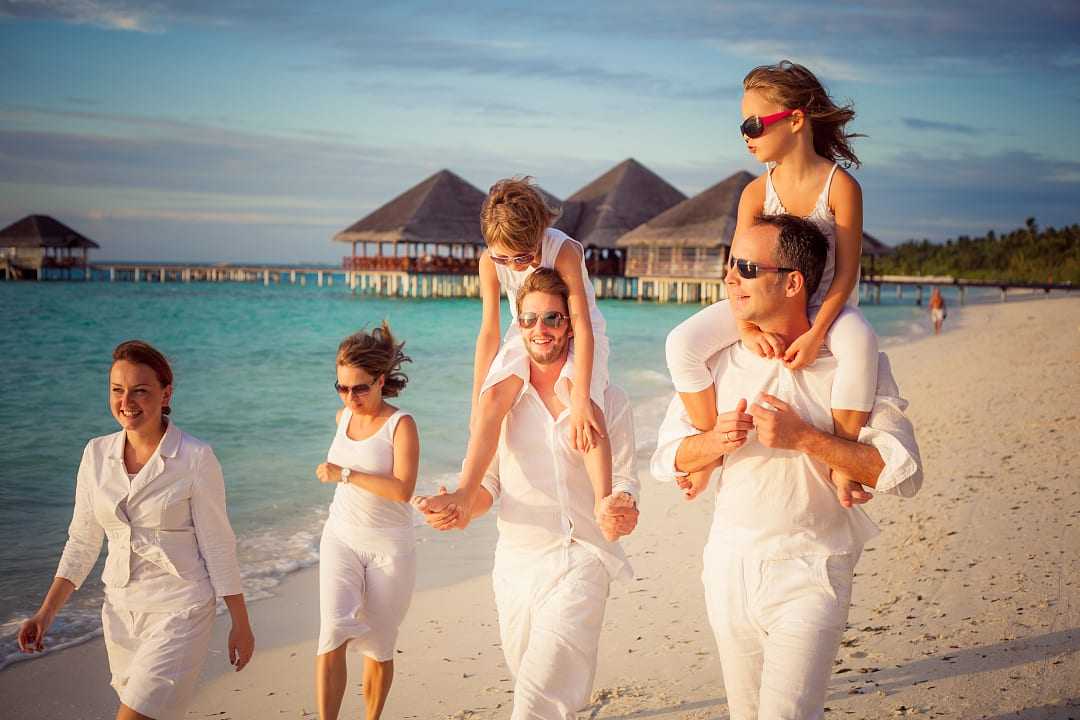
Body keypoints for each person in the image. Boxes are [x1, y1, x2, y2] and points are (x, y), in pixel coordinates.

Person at [652, 215, 923, 719]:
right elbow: (668, 457)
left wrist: (806, 439)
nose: (731, 278)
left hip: (812, 569)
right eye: (730, 265)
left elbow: (900, 472)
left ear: (794, 282)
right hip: (728, 567)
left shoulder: (853, 367)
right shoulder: (720, 360)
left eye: (748, 268)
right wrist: (713, 442)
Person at [415, 268, 640, 720]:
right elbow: (487, 487)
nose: (541, 330)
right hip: (517, 564)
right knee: (533, 680)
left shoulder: (608, 399)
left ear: (571, 324)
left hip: (583, 557)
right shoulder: (501, 403)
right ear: (518, 325)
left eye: (553, 318)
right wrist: (458, 508)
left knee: (538, 697)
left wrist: (620, 504)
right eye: (530, 320)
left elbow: (625, 479)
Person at [664, 60, 879, 507]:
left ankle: (843, 462)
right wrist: (746, 329)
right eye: (743, 126)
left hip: (825, 304)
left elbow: (846, 273)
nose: (747, 135)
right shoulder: (755, 194)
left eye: (755, 124)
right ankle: (711, 451)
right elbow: (736, 270)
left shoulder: (841, 188)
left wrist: (818, 333)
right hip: (760, 300)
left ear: (796, 120)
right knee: (682, 342)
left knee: (860, 345)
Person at [17, 340, 254, 720]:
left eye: (140, 390)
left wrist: (241, 623)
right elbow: (82, 540)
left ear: (166, 393)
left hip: (181, 610)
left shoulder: (195, 457)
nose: (126, 401)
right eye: (117, 389)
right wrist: (45, 614)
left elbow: (218, 545)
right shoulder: (96, 454)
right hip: (121, 612)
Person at [441, 177, 614, 535]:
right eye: (506, 257)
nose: (516, 266)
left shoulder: (563, 251)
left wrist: (581, 396)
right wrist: (476, 400)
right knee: (491, 401)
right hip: (525, 328)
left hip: (577, 327)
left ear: (541, 232)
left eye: (524, 256)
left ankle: (603, 501)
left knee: (579, 400)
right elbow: (488, 333)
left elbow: (580, 321)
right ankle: (465, 492)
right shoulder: (491, 262)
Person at [313, 323, 419, 720]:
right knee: (332, 631)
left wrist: (344, 473)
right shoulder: (343, 417)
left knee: (378, 644)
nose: (350, 397)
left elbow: (402, 490)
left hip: (389, 546)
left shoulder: (401, 424)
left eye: (359, 387)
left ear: (380, 380)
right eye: (342, 388)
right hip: (340, 535)